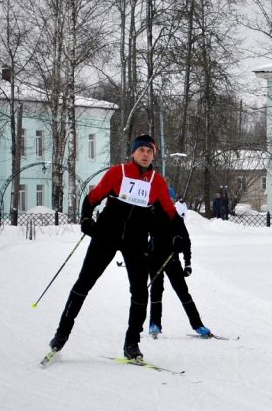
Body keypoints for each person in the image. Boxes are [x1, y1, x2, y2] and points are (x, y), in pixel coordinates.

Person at [47, 134, 179, 361]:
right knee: (83, 284)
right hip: (106, 235)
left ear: (153, 155)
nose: (145, 155)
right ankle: (61, 335)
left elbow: (170, 213)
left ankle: (132, 344)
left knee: (139, 292)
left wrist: (179, 235)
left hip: (136, 241)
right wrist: (86, 219)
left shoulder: (157, 182)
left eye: (149, 151)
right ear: (133, 153)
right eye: (141, 150)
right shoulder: (118, 173)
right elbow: (92, 198)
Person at [147, 207, 212, 338]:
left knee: (182, 292)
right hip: (155, 258)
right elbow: (142, 236)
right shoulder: (151, 212)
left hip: (172, 258)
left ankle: (198, 325)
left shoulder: (175, 216)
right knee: (156, 290)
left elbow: (186, 240)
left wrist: (187, 262)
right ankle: (154, 324)